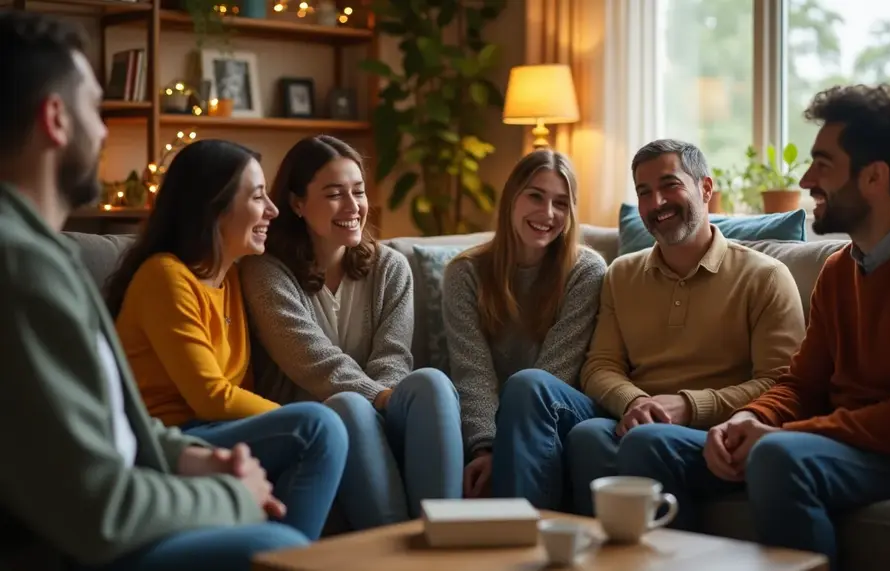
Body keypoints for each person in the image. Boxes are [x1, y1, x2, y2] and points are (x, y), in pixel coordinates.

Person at [617, 84, 890, 570]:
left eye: (824, 163)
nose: (806, 177)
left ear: (874, 177)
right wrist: (748, 419)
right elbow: (802, 384)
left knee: (779, 457)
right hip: (837, 445)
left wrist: (785, 436)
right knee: (652, 443)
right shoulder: (841, 268)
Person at [0, 10, 313, 571]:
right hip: (70, 547)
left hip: (127, 495)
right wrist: (229, 499)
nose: (101, 131)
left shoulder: (41, 254)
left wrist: (200, 461)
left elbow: (120, 424)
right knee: (279, 549)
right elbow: (99, 508)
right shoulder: (20, 266)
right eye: (93, 109)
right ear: (55, 119)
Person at [493, 139, 806, 513]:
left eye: (669, 185)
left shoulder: (766, 277)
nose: (656, 202)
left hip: (712, 429)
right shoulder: (622, 274)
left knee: (602, 438)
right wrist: (635, 401)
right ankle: (523, 539)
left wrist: (688, 407)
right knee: (539, 392)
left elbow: (780, 384)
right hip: (631, 421)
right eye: (644, 192)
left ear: (705, 189)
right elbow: (600, 365)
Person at [103, 138, 349, 543]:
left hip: (216, 428)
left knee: (322, 425)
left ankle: (280, 547)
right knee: (319, 426)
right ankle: (286, 560)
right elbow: (211, 396)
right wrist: (290, 416)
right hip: (170, 440)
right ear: (214, 210)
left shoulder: (234, 274)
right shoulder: (166, 277)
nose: (273, 209)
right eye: (257, 197)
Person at [239, 135, 463, 530]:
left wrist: (385, 401)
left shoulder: (390, 267)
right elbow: (312, 360)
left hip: (380, 412)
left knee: (432, 382)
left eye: (358, 192)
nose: (353, 206)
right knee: (348, 404)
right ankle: (392, 549)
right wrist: (378, 398)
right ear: (296, 203)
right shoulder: (265, 270)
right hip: (316, 425)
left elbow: (393, 357)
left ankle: (443, 533)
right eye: (334, 194)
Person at [442, 149, 608, 500]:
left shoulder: (587, 271)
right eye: (535, 196)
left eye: (561, 203)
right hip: (495, 422)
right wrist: (485, 448)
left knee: (531, 384)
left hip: (562, 411)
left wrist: (504, 450)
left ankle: (524, 531)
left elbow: (556, 373)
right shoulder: (465, 273)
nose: (547, 213)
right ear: (511, 198)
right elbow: (472, 371)